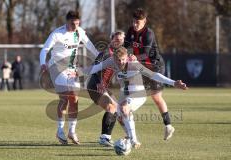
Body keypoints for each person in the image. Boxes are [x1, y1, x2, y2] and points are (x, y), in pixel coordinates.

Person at [81, 47, 187, 148]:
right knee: (119, 115)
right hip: (125, 94)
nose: (121, 62)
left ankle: (133, 140)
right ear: (114, 58)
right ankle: (129, 138)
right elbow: (95, 68)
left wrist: (173, 83)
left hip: (138, 93)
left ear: (127, 57)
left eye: (123, 59)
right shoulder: (110, 61)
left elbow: (153, 75)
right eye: (118, 60)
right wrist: (78, 72)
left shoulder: (134, 64)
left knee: (124, 108)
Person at [39, 10, 99, 145]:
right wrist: (43, 63)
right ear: (67, 21)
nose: (75, 26)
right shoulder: (57, 33)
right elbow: (44, 50)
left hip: (72, 68)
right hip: (57, 67)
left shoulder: (79, 32)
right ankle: (60, 130)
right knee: (67, 96)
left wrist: (100, 57)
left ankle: (71, 131)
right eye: (72, 23)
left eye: (77, 23)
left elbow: (90, 46)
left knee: (74, 98)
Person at [124, 8, 175, 140]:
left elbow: (146, 54)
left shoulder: (148, 34)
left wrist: (134, 57)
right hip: (140, 66)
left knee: (156, 97)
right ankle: (128, 128)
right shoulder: (130, 31)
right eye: (134, 22)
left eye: (138, 22)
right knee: (131, 93)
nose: (135, 25)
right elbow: (125, 47)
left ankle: (168, 126)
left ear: (144, 21)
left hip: (154, 66)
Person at [87, 31, 125, 147]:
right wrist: (99, 82)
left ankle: (130, 136)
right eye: (116, 39)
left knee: (119, 111)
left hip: (104, 87)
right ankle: (104, 138)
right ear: (111, 39)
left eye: (121, 40)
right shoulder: (105, 53)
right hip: (95, 85)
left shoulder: (120, 55)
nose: (118, 42)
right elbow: (95, 68)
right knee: (111, 107)